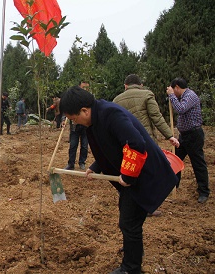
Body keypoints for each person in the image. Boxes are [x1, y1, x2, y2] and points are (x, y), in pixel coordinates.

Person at [59, 86, 178, 274]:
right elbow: (110, 146)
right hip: (134, 175)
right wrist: (95, 166)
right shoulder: (94, 120)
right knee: (127, 215)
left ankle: (131, 268)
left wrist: (128, 175)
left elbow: (135, 144)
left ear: (84, 110)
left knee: (129, 221)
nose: (76, 124)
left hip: (144, 173)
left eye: (74, 119)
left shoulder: (111, 115)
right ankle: (132, 250)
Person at [113, 74, 180, 216]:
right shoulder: (147, 94)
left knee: (130, 172)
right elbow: (156, 117)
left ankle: (131, 205)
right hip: (145, 141)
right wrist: (170, 136)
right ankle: (148, 206)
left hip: (125, 144)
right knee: (149, 173)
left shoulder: (116, 100)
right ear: (140, 85)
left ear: (125, 86)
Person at [166, 77, 210, 204]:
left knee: (198, 163)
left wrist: (171, 96)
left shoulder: (190, 95)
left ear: (177, 87)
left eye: (174, 90)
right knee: (175, 161)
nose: (173, 93)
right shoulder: (181, 97)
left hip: (194, 135)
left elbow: (181, 109)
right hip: (183, 136)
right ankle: (173, 186)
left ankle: (204, 192)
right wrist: (171, 97)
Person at [65, 81, 90, 170]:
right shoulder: (74, 98)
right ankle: (71, 163)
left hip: (85, 127)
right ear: (79, 87)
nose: (85, 89)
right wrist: (66, 121)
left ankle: (82, 162)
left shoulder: (89, 99)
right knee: (73, 145)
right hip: (75, 126)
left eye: (86, 88)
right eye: (83, 87)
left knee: (84, 145)